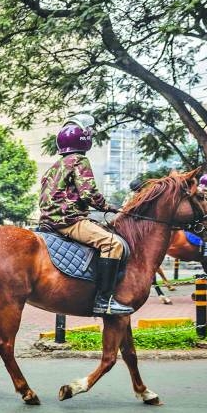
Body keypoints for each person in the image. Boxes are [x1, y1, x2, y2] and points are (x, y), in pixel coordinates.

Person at [39, 114, 133, 315]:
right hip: (69, 221)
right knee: (112, 244)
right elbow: (88, 193)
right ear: (84, 139)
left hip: (49, 222)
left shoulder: (55, 166)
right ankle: (103, 300)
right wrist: (107, 206)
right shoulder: (79, 160)